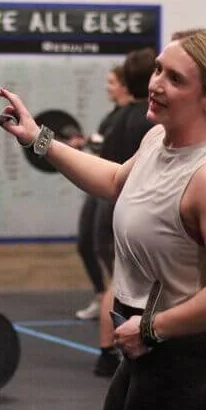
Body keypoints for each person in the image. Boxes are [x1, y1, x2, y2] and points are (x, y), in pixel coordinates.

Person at [0, 28, 206, 410]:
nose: (157, 83)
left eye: (175, 79)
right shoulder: (158, 142)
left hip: (191, 361)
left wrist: (152, 327)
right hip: (147, 352)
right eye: (158, 69)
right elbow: (117, 181)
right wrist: (38, 139)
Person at [89, 48, 157, 378]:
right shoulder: (152, 123)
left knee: (117, 285)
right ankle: (108, 352)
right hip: (123, 209)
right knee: (118, 286)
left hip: (109, 210)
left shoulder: (118, 118)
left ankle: (109, 351)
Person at [75, 66, 132, 322]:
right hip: (98, 184)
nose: (108, 87)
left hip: (116, 187)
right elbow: (101, 143)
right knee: (85, 243)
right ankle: (102, 295)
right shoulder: (111, 116)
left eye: (111, 82)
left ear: (124, 85)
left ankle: (119, 296)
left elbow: (110, 146)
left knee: (103, 243)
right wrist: (83, 143)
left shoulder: (130, 117)